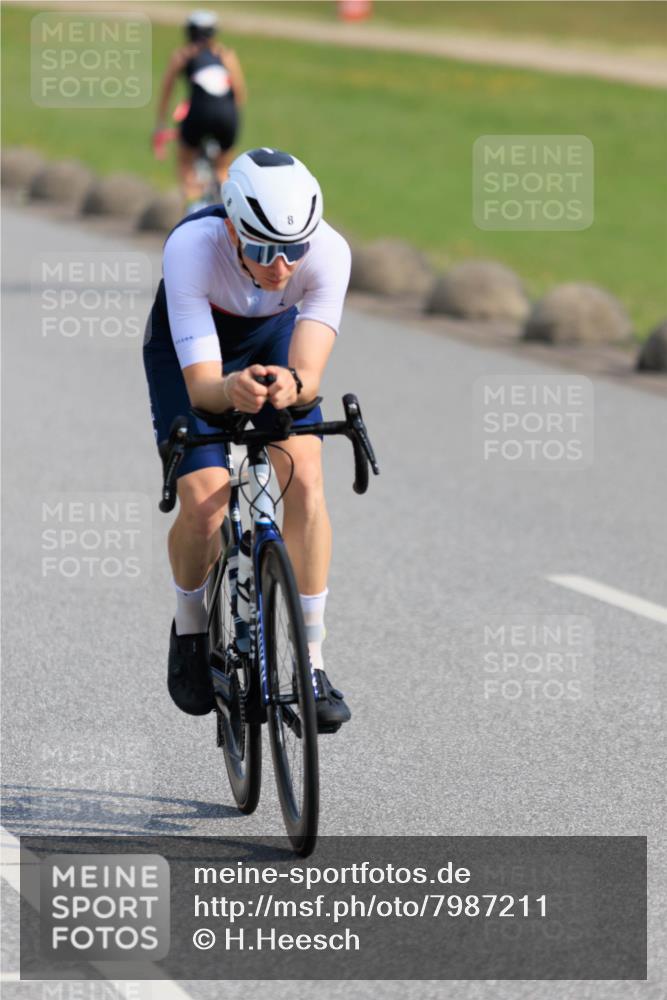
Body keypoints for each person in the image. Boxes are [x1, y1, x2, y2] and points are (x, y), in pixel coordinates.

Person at [143, 147, 352, 732]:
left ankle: (310, 662)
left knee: (305, 477)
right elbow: (205, 387)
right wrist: (232, 388)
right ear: (233, 227)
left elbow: (309, 375)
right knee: (207, 500)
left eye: (293, 250)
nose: (280, 267)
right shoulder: (191, 247)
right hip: (195, 353)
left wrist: (291, 384)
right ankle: (189, 627)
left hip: (271, 341)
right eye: (262, 250)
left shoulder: (329, 252)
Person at [153, 11, 246, 209]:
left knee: (185, 163)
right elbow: (239, 93)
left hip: (199, 113)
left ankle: (191, 209)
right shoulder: (226, 54)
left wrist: (160, 123)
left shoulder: (183, 55)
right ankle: (228, 208)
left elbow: (167, 91)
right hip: (227, 115)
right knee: (223, 168)